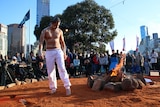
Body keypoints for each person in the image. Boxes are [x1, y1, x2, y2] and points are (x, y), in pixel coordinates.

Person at [38, 16, 71, 96]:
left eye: (58, 25)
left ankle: (67, 87)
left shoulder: (59, 31)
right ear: (52, 23)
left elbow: (63, 43)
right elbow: (41, 43)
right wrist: (40, 52)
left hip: (58, 50)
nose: (57, 26)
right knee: (50, 70)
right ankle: (53, 88)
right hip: (49, 51)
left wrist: (64, 52)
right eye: (56, 25)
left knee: (62, 67)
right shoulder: (45, 31)